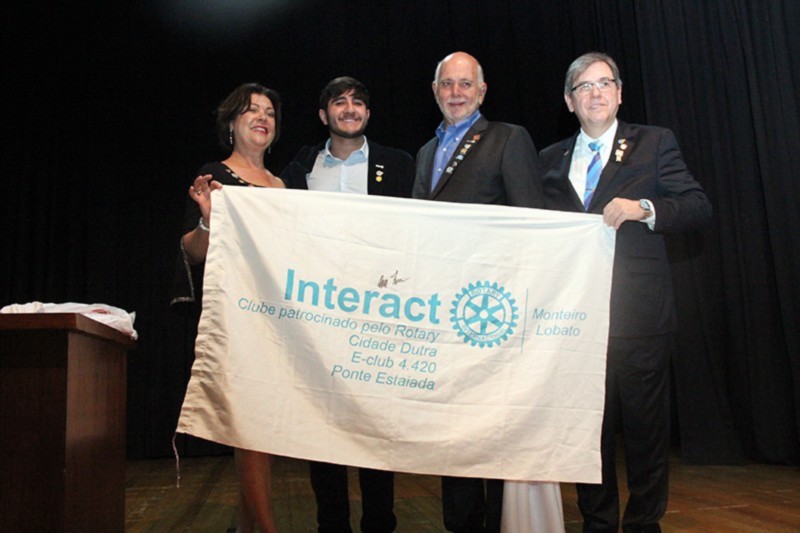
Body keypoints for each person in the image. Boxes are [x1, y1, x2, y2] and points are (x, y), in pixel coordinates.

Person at [539, 52, 713, 532]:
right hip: (575, 322)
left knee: (645, 434)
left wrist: (645, 208)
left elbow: (697, 206)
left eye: (604, 83)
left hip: (640, 319)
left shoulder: (653, 143)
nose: (595, 93)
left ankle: (642, 524)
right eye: (584, 86)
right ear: (569, 101)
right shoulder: (548, 159)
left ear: (618, 93)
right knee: (587, 434)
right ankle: (597, 523)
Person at [413, 51, 563, 533]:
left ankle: (502, 523)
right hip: (443, 315)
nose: (455, 92)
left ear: (481, 92)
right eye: (447, 84)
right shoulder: (425, 152)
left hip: (492, 315)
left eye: (465, 84)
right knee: (453, 435)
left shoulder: (507, 138)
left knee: (496, 434)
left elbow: (530, 224)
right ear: (435, 91)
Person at [280, 76, 415, 533]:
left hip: (380, 312)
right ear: (324, 115)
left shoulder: (399, 164)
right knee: (323, 427)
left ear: (368, 113)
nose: (350, 108)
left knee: (374, 425)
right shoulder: (300, 168)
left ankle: (380, 522)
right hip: (319, 315)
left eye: (358, 102)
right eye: (339, 102)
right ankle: (331, 524)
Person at [172, 82, 285, 533]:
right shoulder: (215, 176)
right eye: (251, 110)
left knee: (265, 431)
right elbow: (192, 251)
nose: (262, 118)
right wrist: (207, 220)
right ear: (231, 124)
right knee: (251, 429)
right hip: (237, 318)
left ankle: (244, 527)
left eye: (269, 112)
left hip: (279, 320)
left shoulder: (282, 185)